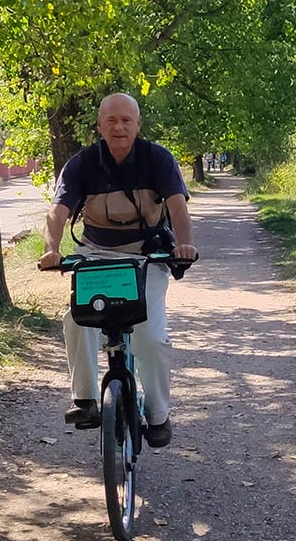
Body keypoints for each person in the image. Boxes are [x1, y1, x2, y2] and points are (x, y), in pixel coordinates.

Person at [38, 93, 198, 447]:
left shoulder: (158, 159)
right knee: (75, 319)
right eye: (111, 120)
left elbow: (177, 206)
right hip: (96, 253)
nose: (119, 126)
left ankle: (158, 416)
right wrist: (51, 249)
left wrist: (183, 244)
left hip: (146, 256)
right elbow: (58, 211)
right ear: (99, 126)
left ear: (138, 124)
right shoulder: (82, 164)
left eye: (127, 120)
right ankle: (85, 401)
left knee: (151, 336)